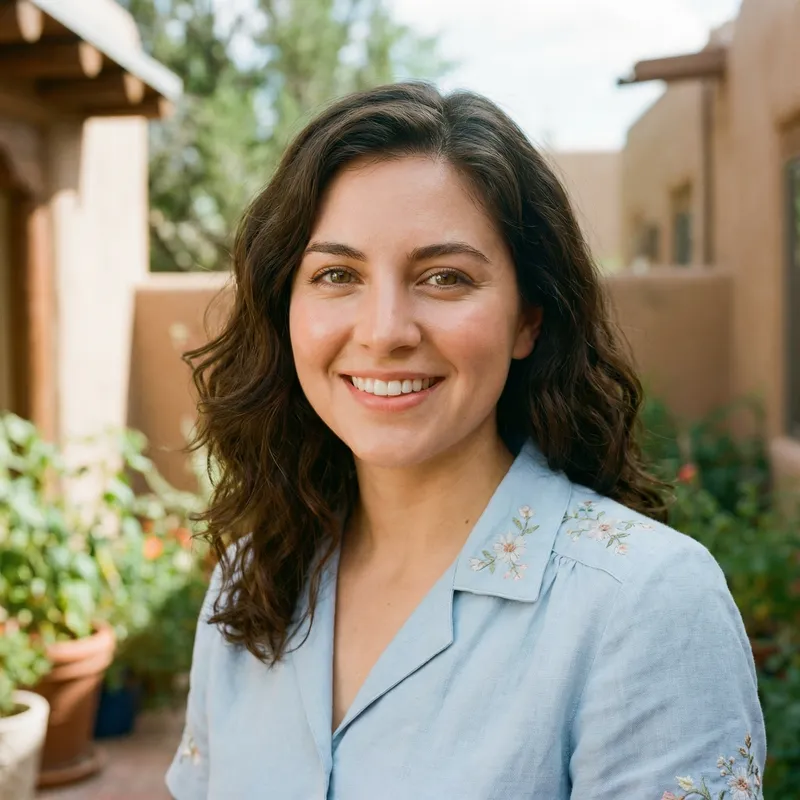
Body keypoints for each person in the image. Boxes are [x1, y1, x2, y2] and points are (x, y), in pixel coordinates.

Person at [166, 82, 765, 799]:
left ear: (528, 319)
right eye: (336, 275)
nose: (385, 330)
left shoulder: (644, 605)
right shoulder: (250, 581)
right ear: (284, 307)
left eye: (445, 277)